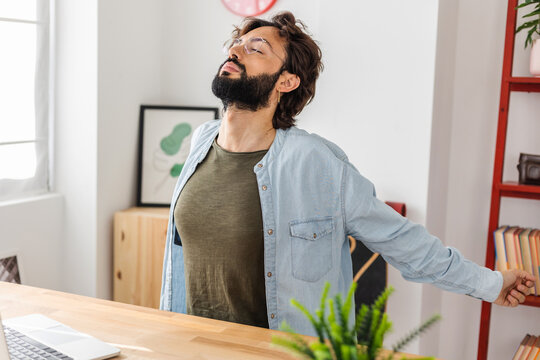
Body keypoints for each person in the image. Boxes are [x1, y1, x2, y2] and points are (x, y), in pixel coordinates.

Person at [159, 11, 535, 336]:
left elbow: (404, 242)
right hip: (195, 345)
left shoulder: (316, 162)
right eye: (237, 44)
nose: (236, 50)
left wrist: (490, 284)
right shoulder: (201, 142)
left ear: (286, 81)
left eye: (256, 49)